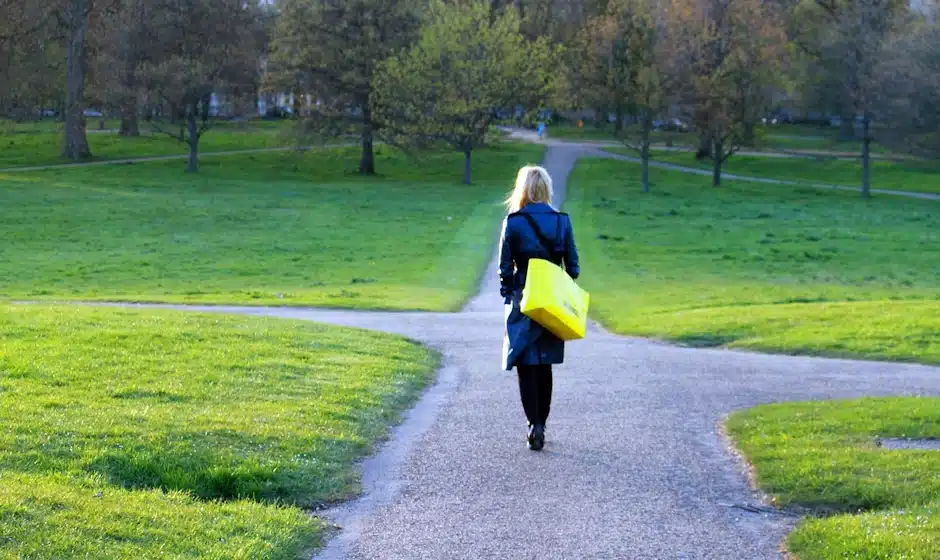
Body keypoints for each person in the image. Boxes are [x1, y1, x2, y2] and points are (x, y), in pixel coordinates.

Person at [498, 165, 580, 451]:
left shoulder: (514, 222)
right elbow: (575, 268)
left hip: (523, 297)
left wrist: (509, 293)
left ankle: (533, 423)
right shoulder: (562, 221)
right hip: (552, 299)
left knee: (524, 362)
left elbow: (504, 270)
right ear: (546, 189)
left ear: (522, 189)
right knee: (545, 364)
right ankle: (542, 423)